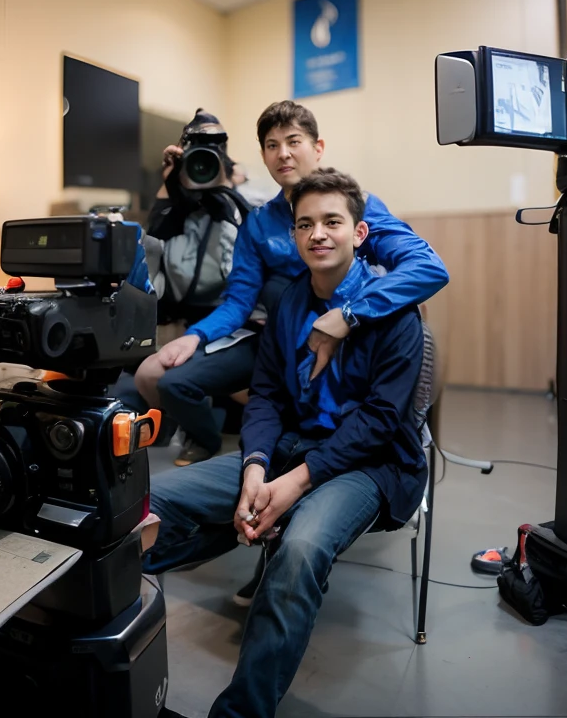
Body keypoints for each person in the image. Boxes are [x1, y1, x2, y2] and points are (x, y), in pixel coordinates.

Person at [143, 168, 430, 718]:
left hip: (371, 465)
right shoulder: (290, 303)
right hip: (288, 450)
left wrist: (295, 482)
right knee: (148, 505)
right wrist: (255, 469)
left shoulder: (394, 310)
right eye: (305, 224)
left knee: (299, 549)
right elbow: (268, 397)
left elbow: (380, 421)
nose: (318, 233)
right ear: (293, 236)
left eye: (332, 222)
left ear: (359, 233)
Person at [136, 99, 449, 469]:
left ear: (318, 148)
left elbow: (428, 267)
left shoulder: (355, 206)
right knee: (154, 374)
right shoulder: (259, 223)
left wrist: (348, 315)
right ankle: (214, 445)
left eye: (294, 141)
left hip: (352, 336)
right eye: (272, 145)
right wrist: (196, 336)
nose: (283, 154)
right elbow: (239, 301)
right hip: (280, 339)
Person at [113, 109, 252, 443]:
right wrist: (168, 188)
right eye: (195, 161)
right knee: (152, 382)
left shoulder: (238, 212)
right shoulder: (170, 215)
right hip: (172, 328)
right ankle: (184, 428)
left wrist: (226, 194)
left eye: (209, 161)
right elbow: (147, 287)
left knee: (245, 396)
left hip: (223, 328)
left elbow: (242, 285)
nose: (200, 170)